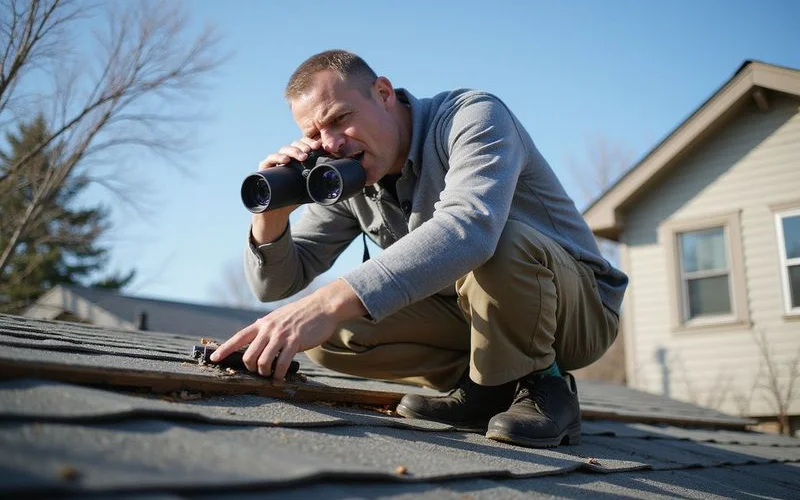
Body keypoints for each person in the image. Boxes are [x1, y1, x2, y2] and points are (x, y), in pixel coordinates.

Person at [211, 49, 628, 448]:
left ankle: (546, 386)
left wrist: (331, 299)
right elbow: (275, 286)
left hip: (575, 311)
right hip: (471, 314)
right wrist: (272, 215)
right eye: (315, 133)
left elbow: (472, 227)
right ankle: (489, 388)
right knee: (329, 334)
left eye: (340, 118)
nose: (332, 143)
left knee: (500, 243)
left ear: (384, 93)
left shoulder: (473, 116)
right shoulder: (348, 173)